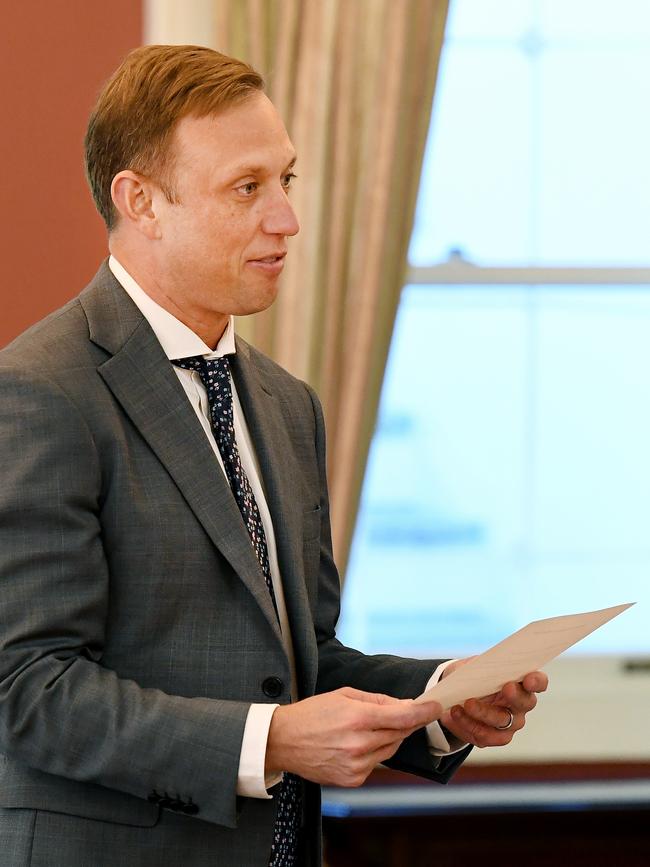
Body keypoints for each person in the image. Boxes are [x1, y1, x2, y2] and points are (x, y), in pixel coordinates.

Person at [0, 45, 547, 866]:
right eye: (246, 187)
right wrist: (272, 741)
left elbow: (296, 662)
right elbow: (28, 691)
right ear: (140, 200)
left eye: (285, 180)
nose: (287, 219)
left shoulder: (288, 404)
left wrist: (437, 701)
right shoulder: (39, 390)